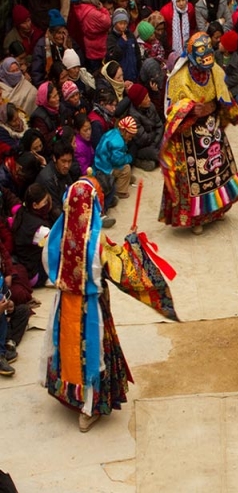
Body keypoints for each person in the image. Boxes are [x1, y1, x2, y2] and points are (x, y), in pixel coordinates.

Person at [42, 177, 133, 432]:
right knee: (93, 351)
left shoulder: (56, 236)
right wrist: (131, 247)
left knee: (68, 349)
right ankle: (89, 407)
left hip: (65, 306)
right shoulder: (97, 242)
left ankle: (68, 393)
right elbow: (119, 270)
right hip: (92, 308)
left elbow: (49, 267)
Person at [159, 32, 238, 235]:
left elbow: (223, 95)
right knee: (195, 177)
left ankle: (217, 209)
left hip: (211, 126)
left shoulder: (215, 70)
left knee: (217, 170)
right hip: (190, 134)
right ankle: (196, 218)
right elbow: (172, 109)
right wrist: (190, 109)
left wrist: (217, 108)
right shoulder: (179, 79)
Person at [93, 115, 137, 200]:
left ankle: (124, 179)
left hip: (100, 162)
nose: (130, 139)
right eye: (130, 136)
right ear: (124, 131)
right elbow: (117, 161)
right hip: (105, 168)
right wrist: (129, 158)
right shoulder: (118, 143)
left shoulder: (113, 132)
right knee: (126, 168)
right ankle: (120, 191)